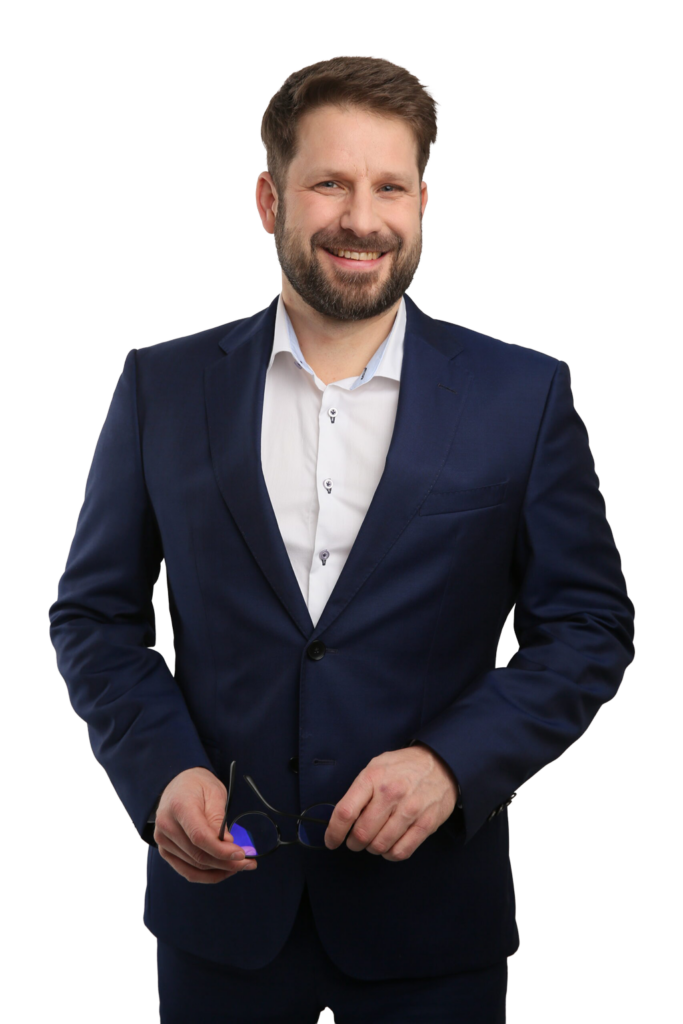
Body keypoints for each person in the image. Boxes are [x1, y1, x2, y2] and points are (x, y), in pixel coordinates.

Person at [48, 55, 635, 1023]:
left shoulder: (520, 397)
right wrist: (161, 772)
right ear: (268, 198)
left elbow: (587, 624)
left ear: (420, 201)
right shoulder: (160, 385)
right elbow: (93, 614)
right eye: (328, 183)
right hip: (219, 912)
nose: (360, 218)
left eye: (387, 187)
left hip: (433, 925)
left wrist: (453, 763)